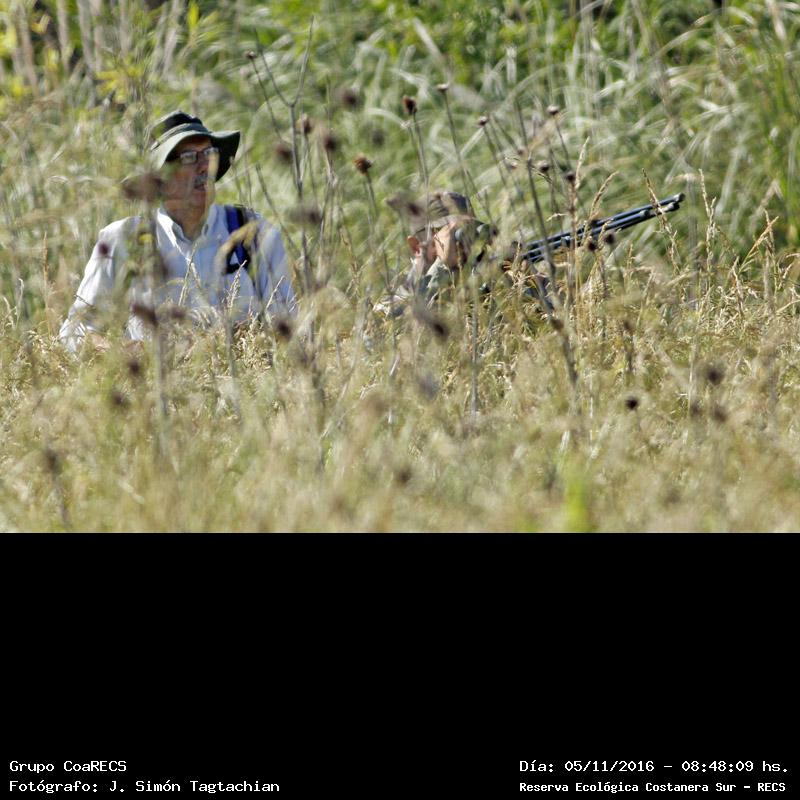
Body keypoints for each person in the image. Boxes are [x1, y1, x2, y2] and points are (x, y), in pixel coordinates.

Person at [59, 110, 296, 352]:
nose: (205, 166)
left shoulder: (254, 233)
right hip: (155, 377)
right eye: (189, 157)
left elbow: (289, 328)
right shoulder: (123, 239)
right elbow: (76, 330)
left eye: (209, 153)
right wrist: (123, 353)